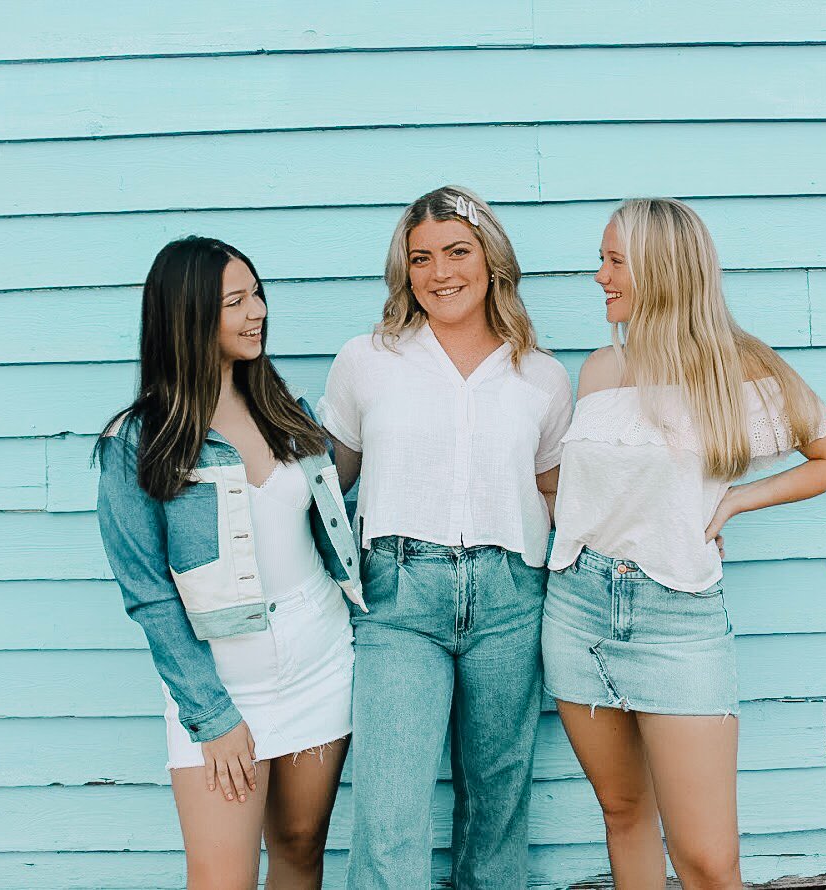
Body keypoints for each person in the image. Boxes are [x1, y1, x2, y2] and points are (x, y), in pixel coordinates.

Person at [543, 199, 826, 889]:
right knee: (624, 814)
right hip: (576, 609)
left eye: (614, 261)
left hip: (677, 619)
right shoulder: (598, 370)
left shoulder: (739, 372)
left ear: (661, 270)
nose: (599, 277)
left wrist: (741, 498)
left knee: (709, 862)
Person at [317, 187, 574, 889]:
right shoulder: (366, 360)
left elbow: (558, 493)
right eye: (421, 258)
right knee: (390, 812)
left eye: (457, 252)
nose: (439, 273)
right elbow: (323, 483)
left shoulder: (542, 377)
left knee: (496, 806)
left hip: (511, 598)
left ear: (491, 259)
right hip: (398, 596)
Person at [95, 236, 363, 889]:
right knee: (223, 879)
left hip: (321, 665)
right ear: (186, 318)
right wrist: (212, 719)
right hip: (220, 688)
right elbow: (150, 597)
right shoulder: (137, 445)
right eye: (235, 302)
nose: (258, 313)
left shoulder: (285, 410)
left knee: (301, 850)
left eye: (257, 294)